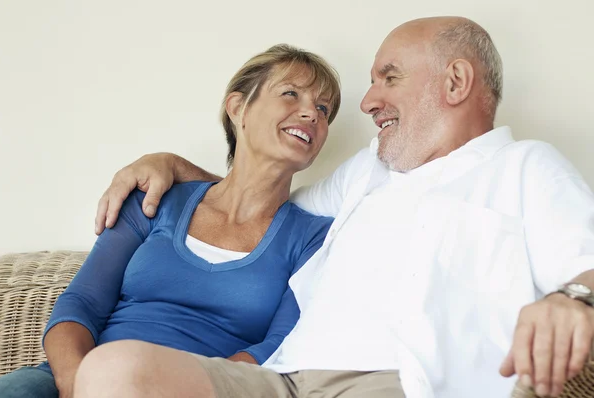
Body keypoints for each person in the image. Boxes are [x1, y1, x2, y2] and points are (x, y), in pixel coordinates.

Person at [82, 16, 594, 398]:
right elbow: (259, 195)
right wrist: (171, 165)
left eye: (389, 78)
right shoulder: (370, 169)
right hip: (278, 380)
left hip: (399, 383)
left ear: (456, 82)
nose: (368, 101)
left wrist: (572, 299)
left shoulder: (524, 167)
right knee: (114, 371)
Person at [0, 44, 341, 398]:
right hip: (77, 377)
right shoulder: (156, 199)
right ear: (239, 109)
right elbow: (81, 303)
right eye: (290, 93)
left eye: (323, 108)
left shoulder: (315, 239)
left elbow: (280, 346)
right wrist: (75, 383)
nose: (311, 114)